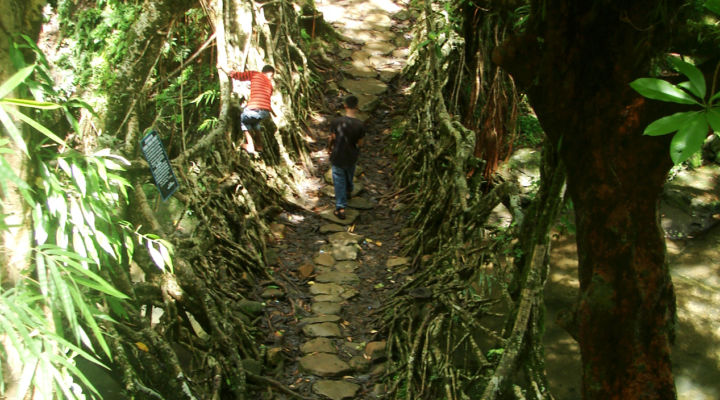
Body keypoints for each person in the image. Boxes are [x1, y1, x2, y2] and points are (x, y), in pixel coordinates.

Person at [328, 95, 365, 219]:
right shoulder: (360, 125)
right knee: (349, 173)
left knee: (339, 180)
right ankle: (349, 190)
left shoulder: (336, 121)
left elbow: (332, 138)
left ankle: (341, 208)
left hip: (337, 155)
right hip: (351, 156)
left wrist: (329, 148)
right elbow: (360, 143)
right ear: (357, 107)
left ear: (345, 106)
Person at [227, 65, 275, 154]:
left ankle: (250, 145)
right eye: (272, 76)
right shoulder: (270, 85)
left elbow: (240, 76)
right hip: (265, 112)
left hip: (254, 108)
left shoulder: (255, 74)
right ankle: (259, 145)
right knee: (255, 123)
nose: (271, 78)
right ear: (270, 74)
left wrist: (232, 73)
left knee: (243, 120)